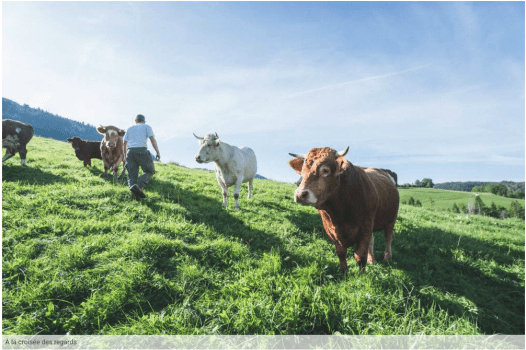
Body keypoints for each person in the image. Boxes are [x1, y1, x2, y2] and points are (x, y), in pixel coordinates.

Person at [123, 114, 160, 200]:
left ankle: (134, 196)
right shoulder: (146, 126)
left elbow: (124, 143)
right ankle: (138, 186)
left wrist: (125, 157)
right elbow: (152, 140)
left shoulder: (129, 128)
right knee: (149, 171)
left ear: (135, 121)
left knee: (132, 176)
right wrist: (157, 151)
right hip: (142, 151)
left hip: (130, 152)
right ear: (143, 121)